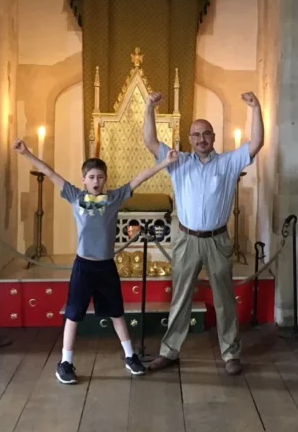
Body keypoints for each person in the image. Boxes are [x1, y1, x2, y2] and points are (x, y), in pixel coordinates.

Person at [13, 138, 178, 385]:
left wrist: (165, 162)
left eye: (100, 177)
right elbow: (49, 172)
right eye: (91, 177)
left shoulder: (114, 198)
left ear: (105, 179)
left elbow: (140, 178)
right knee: (74, 313)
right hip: (84, 266)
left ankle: (130, 356)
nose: (96, 182)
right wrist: (26, 153)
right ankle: (65, 362)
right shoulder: (74, 195)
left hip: (106, 266)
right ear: (84, 179)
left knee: (117, 312)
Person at [142, 91, 264, 376]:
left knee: (224, 299)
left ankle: (231, 354)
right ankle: (169, 351)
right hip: (186, 239)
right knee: (181, 297)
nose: (201, 139)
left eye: (206, 134)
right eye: (195, 135)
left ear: (213, 137)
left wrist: (256, 108)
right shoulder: (178, 161)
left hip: (217, 240)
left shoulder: (229, 163)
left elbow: (257, 142)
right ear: (190, 138)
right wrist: (149, 107)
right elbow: (149, 141)